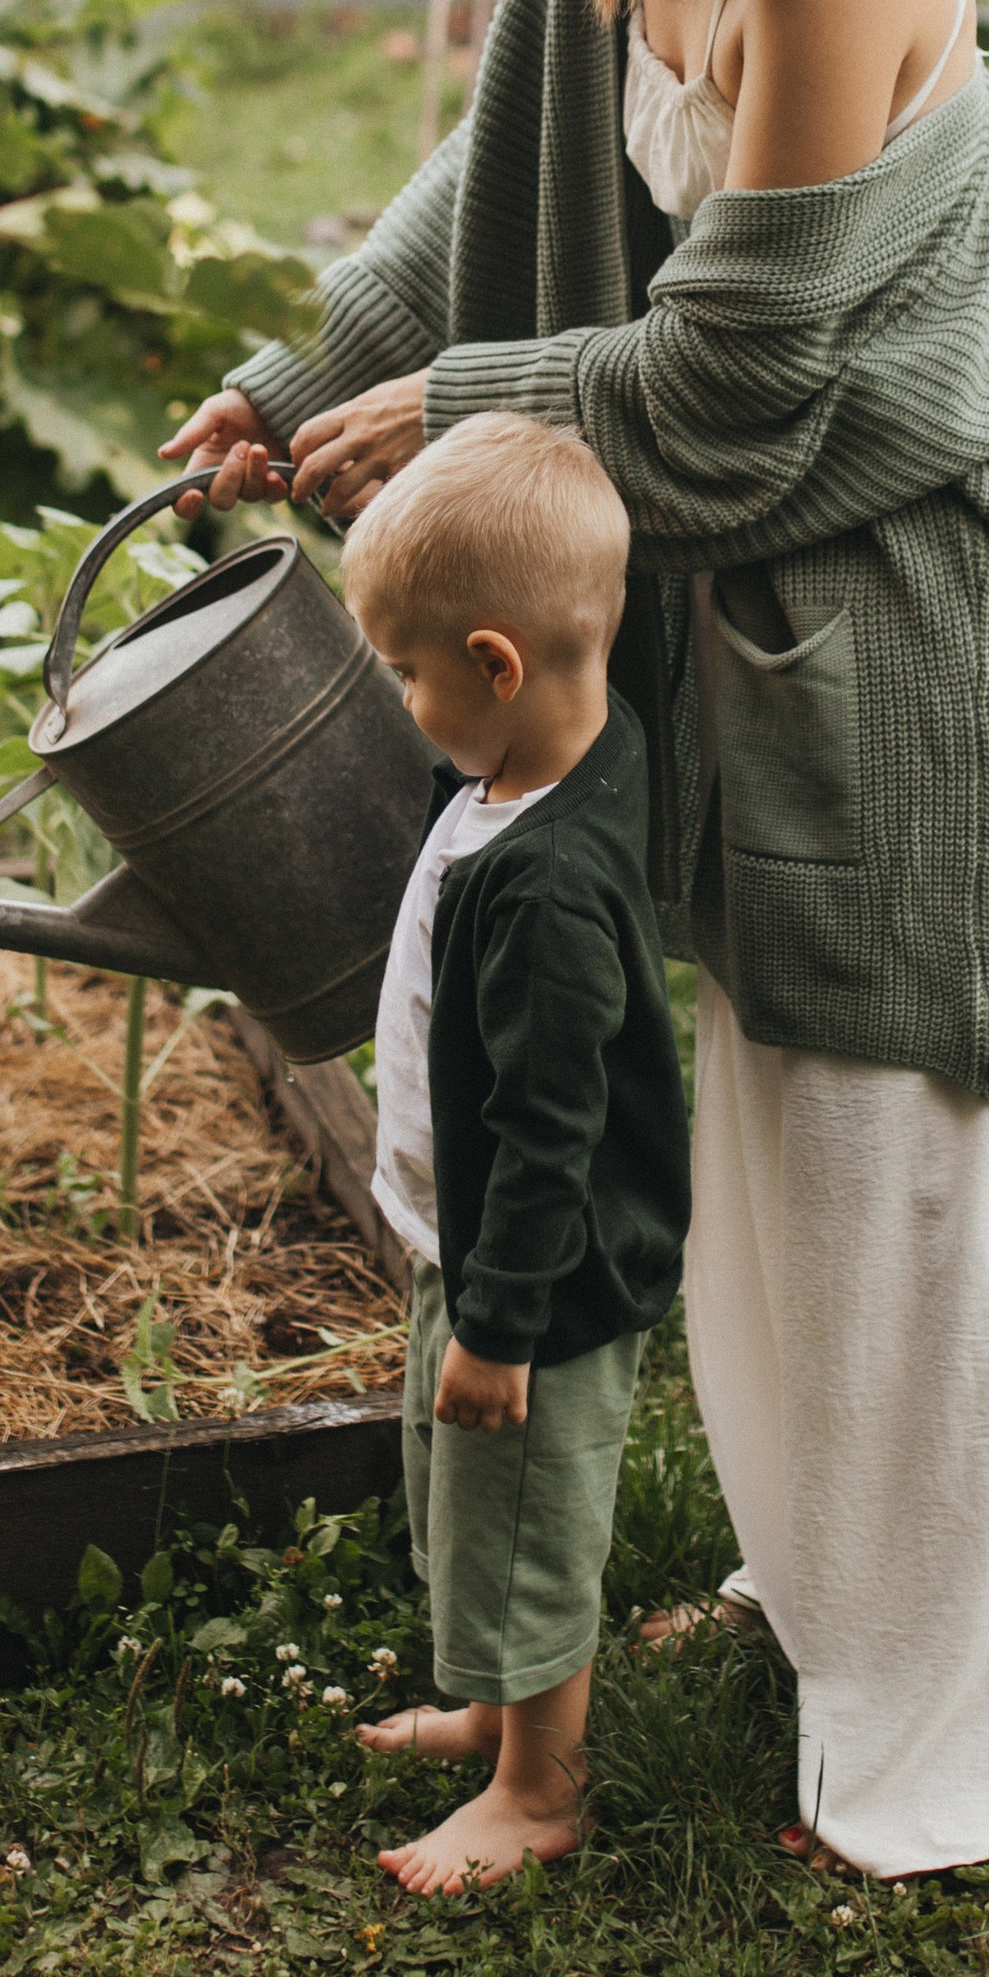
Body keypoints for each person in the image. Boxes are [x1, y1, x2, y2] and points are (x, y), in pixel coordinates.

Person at [164, 0, 989, 1880]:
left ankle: (986, 1686)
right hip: (744, 620)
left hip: (905, 637)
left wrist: (464, 406)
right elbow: (468, 202)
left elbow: (734, 386)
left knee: (891, 1149)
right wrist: (303, 367)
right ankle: (830, 1588)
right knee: (756, 1142)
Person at [333, 409, 689, 1896]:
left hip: (532, 1276)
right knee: (464, 1497)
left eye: (407, 671)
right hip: (465, 1243)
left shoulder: (547, 895)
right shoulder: (553, 753)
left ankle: (542, 1789)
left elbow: (555, 1132)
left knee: (534, 1520)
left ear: (494, 664)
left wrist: (500, 1324)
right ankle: (492, 1708)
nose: (398, 698)